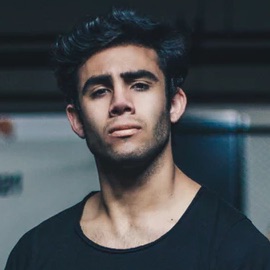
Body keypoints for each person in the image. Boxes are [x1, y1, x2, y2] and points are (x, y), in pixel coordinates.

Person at [5, 8, 270, 270]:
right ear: (76, 119)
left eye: (140, 85)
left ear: (174, 104)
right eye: (99, 91)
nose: (120, 102)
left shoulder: (240, 250)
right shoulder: (34, 254)